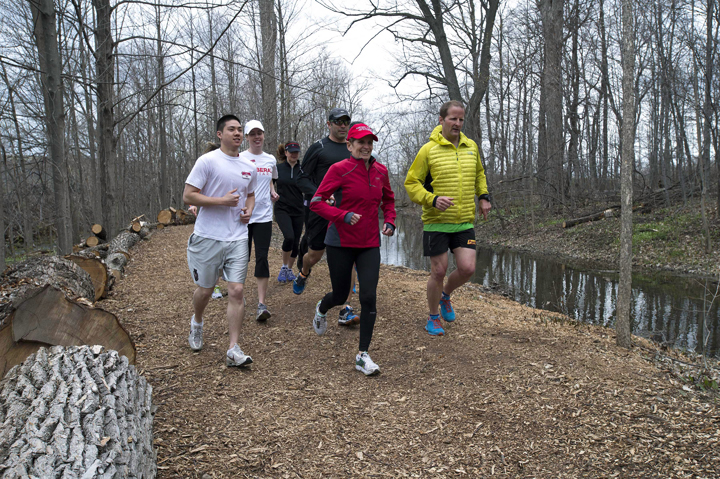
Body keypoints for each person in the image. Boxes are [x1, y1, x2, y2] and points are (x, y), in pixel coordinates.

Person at [309, 123, 396, 375]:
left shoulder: (381, 171)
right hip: (340, 242)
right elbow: (317, 202)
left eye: (370, 142)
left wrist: (390, 219)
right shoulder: (339, 169)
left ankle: (363, 355)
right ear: (349, 145)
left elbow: (388, 199)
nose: (366, 146)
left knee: (368, 296)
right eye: (361, 142)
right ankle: (322, 308)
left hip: (369, 243)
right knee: (339, 294)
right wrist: (342, 215)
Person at [404, 100, 492, 336]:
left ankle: (445, 296)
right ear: (441, 120)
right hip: (436, 221)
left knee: (467, 269)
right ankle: (433, 318)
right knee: (438, 272)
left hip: (463, 220)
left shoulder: (471, 146)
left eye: (461, 119)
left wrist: (483, 196)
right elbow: (411, 184)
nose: (458, 123)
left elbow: (479, 174)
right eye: (453, 118)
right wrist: (432, 199)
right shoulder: (428, 150)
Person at [183, 114, 256, 367]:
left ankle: (233, 348)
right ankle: (197, 321)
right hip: (208, 237)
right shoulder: (207, 161)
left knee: (236, 290)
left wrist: (249, 210)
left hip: (238, 237)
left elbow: (251, 195)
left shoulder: (250, 167)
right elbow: (188, 196)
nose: (237, 133)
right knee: (205, 290)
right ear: (220, 134)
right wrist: (221, 201)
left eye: (239, 130)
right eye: (231, 129)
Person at [294, 107, 359, 326]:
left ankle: (346, 308)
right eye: (338, 121)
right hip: (321, 210)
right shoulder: (319, 148)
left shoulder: (354, 148)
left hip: (347, 213)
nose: (342, 125)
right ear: (328, 124)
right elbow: (301, 178)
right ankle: (303, 272)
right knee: (314, 255)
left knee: (348, 259)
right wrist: (321, 195)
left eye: (345, 121)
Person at [240, 120, 279, 322]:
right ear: (247, 137)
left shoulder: (270, 159)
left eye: (259, 133)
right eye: (252, 134)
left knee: (262, 258)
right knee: (241, 259)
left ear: (263, 135)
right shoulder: (240, 158)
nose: (256, 137)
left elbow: (270, 180)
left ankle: (261, 304)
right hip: (243, 216)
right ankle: (238, 297)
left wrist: (273, 192)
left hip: (264, 216)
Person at [274, 141, 304, 284]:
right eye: (291, 152)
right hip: (282, 209)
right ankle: (284, 266)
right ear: (286, 153)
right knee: (289, 237)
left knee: (296, 241)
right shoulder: (278, 168)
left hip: (299, 209)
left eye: (296, 152)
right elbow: (268, 184)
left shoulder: (303, 170)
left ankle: (289, 270)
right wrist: (271, 193)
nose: (294, 154)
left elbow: (311, 185)